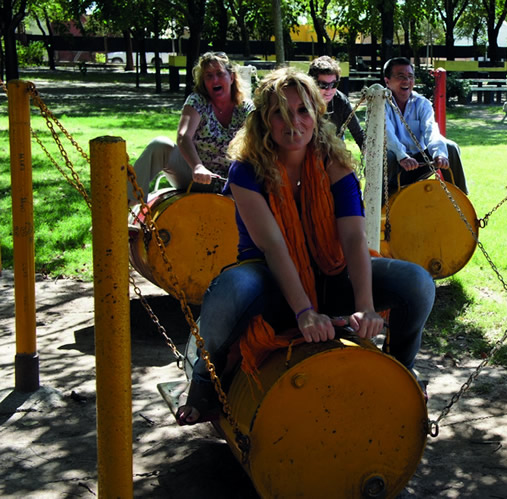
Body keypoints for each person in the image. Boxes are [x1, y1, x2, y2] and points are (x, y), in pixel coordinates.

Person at [176, 68, 435, 424]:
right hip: (270, 282)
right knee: (229, 290)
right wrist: (305, 312)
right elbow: (273, 246)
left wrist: (365, 306)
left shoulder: (335, 163)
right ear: (264, 120)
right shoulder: (246, 170)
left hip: (330, 273)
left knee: (417, 282)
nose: (292, 123)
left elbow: (353, 238)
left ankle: (400, 370)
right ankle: (205, 384)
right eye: (279, 112)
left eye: (302, 111)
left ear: (316, 113)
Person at [128, 52, 254, 204]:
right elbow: (183, 136)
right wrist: (197, 166)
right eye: (208, 76)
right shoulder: (197, 101)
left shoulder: (246, 107)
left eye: (220, 74)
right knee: (160, 145)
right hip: (196, 176)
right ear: (203, 82)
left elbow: (259, 142)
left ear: (232, 77)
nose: (215, 80)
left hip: (232, 181)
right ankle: (126, 206)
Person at [382, 57, 468, 196]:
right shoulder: (379, 104)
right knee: (388, 156)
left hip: (416, 164)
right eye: (401, 76)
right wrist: (402, 157)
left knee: (450, 148)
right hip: (390, 166)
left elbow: (431, 130)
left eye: (410, 77)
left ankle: (460, 201)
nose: (406, 81)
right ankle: (381, 203)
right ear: (387, 81)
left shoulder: (422, 103)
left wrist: (439, 154)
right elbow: (386, 134)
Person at [308, 55, 365, 150]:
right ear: (312, 83)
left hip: (333, 143)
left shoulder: (341, 101)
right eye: (323, 85)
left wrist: (370, 155)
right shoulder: (302, 101)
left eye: (334, 84)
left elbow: (358, 133)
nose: (329, 90)